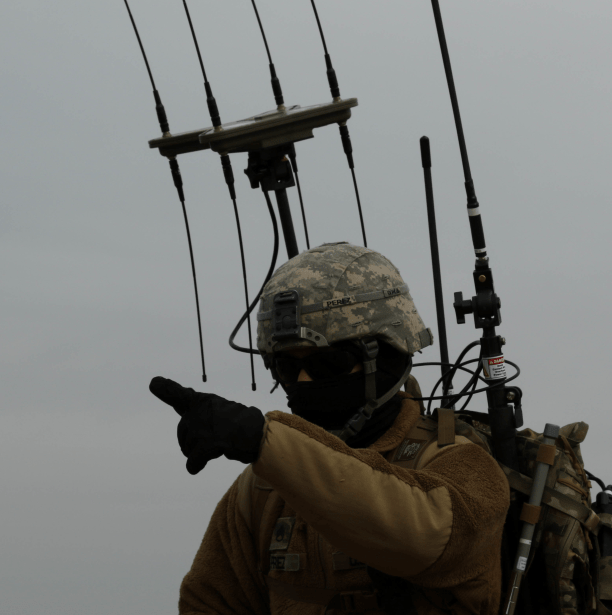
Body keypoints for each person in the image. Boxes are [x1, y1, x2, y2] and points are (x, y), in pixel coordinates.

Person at [150, 242, 510, 615]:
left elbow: (422, 536)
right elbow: (209, 602)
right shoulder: (262, 489)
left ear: (387, 356)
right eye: (287, 369)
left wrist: (264, 441)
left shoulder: (463, 464)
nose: (304, 382)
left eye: (328, 365)